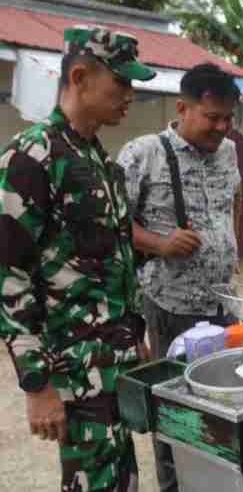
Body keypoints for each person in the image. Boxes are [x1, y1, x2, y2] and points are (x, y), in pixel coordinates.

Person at [0, 25, 154, 491]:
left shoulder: (99, 162)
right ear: (80, 77)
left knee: (122, 477)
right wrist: (37, 383)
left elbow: (114, 262)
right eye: (120, 81)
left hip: (114, 364)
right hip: (74, 370)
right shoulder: (32, 157)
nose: (130, 95)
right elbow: (9, 275)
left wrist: (134, 335)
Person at [117, 62, 242, 492]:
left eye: (228, 118)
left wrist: (228, 250)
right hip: (170, 306)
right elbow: (112, 226)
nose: (221, 127)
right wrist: (159, 244)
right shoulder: (142, 153)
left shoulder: (228, 151)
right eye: (212, 117)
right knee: (173, 409)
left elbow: (231, 203)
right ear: (182, 108)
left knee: (222, 401)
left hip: (222, 304)